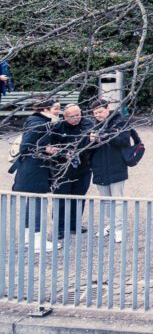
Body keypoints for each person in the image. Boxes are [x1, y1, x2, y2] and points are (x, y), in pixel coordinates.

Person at [9, 99, 61, 253]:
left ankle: (28, 238)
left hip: (32, 169)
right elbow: (26, 147)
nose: (59, 111)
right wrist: (47, 149)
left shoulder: (39, 121)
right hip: (34, 170)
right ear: (45, 109)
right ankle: (36, 241)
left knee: (32, 204)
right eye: (56, 108)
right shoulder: (38, 123)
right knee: (37, 204)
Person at [89, 98, 133, 244]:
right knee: (105, 199)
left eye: (100, 111)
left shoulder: (120, 121)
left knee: (117, 199)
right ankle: (110, 224)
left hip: (116, 164)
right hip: (99, 166)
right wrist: (90, 140)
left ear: (107, 109)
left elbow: (124, 140)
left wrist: (105, 136)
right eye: (95, 113)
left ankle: (119, 229)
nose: (98, 115)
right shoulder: (93, 125)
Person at [52, 103, 94, 238]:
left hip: (83, 166)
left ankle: (74, 223)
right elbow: (51, 146)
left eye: (78, 115)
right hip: (62, 167)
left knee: (79, 195)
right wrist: (63, 153)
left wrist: (76, 150)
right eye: (72, 116)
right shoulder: (57, 127)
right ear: (65, 117)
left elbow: (86, 140)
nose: (77, 118)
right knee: (61, 197)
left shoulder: (87, 123)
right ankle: (59, 227)